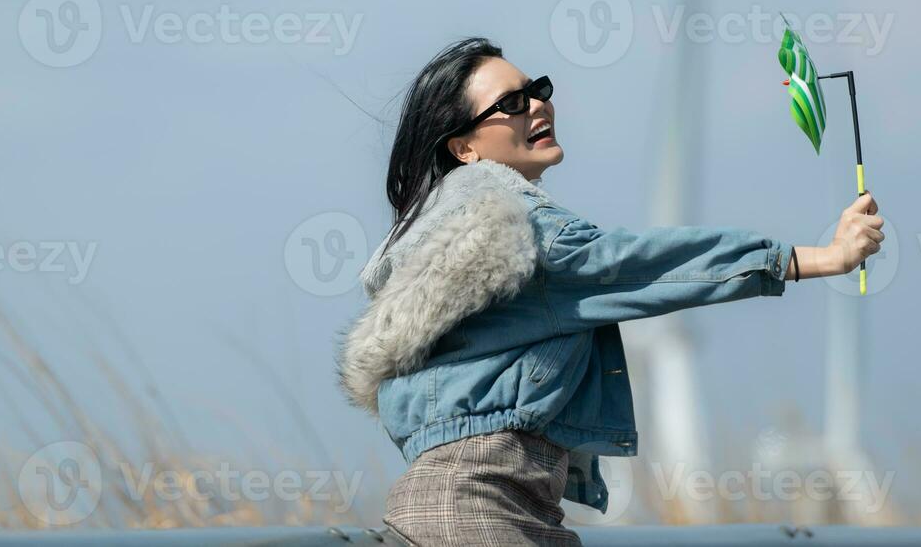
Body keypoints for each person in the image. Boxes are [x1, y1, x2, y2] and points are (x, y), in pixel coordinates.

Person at [336, 37, 885, 546]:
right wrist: (818, 258)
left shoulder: (434, 236)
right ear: (464, 148)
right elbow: (645, 267)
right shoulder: (517, 229)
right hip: (481, 511)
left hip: (469, 507)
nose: (537, 107)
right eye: (511, 104)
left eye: (538, 91)